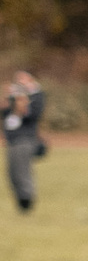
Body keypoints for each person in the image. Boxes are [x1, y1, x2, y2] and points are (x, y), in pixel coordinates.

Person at [4, 69, 45, 214]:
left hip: (25, 140)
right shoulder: (12, 97)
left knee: (22, 171)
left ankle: (27, 203)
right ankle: (21, 204)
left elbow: (30, 114)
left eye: (23, 80)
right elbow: (4, 112)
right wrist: (8, 96)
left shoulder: (36, 96)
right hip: (12, 141)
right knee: (12, 173)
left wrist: (22, 98)